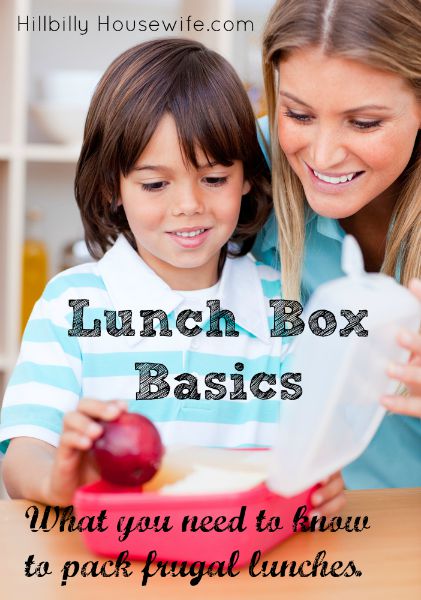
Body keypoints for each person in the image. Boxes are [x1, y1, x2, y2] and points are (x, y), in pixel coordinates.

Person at [0, 38, 344, 513]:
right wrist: (58, 482)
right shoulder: (71, 306)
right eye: (156, 183)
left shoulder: (280, 301)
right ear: (112, 187)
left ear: (247, 177)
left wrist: (319, 482)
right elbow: (23, 457)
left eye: (214, 179)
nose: (188, 205)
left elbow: (309, 450)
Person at [253, 0, 421, 488]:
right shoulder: (241, 169)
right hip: (286, 529)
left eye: (364, 123)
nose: (323, 155)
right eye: (299, 114)